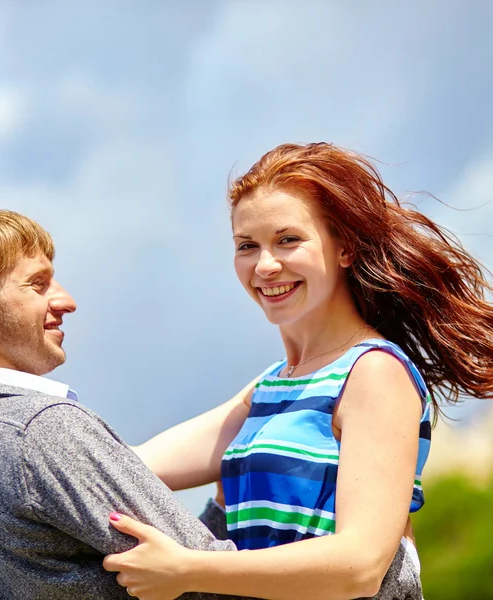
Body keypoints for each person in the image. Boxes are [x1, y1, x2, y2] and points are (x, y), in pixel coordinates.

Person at [102, 143, 493, 600]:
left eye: (288, 240)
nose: (265, 265)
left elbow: (360, 565)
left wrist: (188, 570)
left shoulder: (373, 373)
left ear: (345, 248)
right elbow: (123, 468)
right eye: (247, 246)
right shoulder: (271, 387)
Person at [0, 205, 257, 600]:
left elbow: (160, 571)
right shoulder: (38, 429)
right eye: (38, 284)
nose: (66, 301)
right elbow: (209, 579)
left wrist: (220, 512)